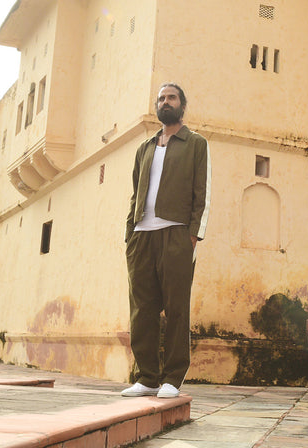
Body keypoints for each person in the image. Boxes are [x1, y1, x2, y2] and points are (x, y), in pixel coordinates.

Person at [121, 83, 210, 398]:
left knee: (176, 308)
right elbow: (135, 193)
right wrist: (130, 233)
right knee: (141, 309)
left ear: (182, 105)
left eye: (171, 97)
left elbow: (202, 192)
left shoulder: (196, 144)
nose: (165, 102)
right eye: (161, 98)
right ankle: (147, 377)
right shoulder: (144, 148)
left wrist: (193, 235)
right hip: (142, 235)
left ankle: (173, 377)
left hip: (176, 233)